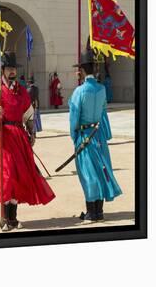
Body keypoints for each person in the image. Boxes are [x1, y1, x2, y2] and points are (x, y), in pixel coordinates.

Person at [0, 52, 55, 231]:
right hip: (2, 139)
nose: (12, 71)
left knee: (18, 177)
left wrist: (32, 133)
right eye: (9, 68)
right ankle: (5, 217)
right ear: (3, 71)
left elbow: (29, 114)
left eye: (14, 68)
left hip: (18, 138)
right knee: (6, 178)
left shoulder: (21, 91)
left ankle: (13, 217)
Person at [69, 50, 122, 221]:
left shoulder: (79, 91)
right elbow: (103, 114)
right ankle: (99, 211)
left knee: (87, 173)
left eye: (79, 69)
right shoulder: (101, 89)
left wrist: (74, 137)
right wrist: (106, 135)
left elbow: (74, 118)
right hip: (98, 136)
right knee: (101, 171)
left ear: (83, 70)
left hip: (84, 136)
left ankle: (91, 212)